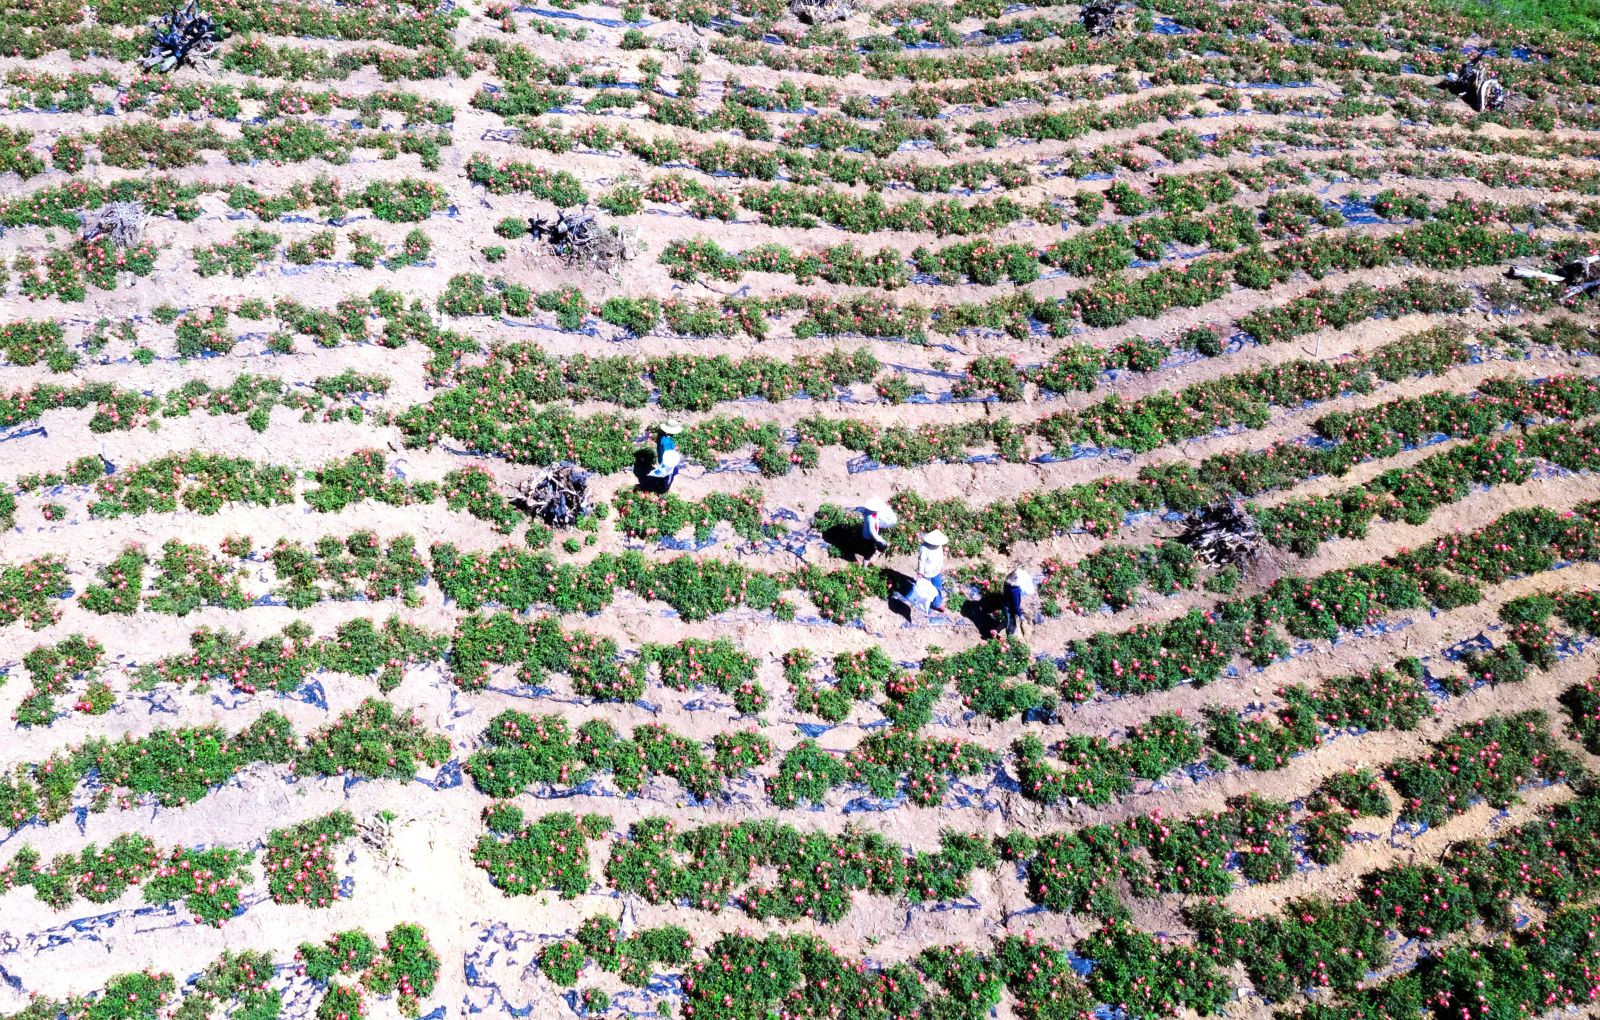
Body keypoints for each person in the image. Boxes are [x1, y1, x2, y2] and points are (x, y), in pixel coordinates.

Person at [917, 530, 948, 614]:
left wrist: (942, 565)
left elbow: (940, 556)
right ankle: (924, 604)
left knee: (938, 587)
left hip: (936, 570)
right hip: (926, 572)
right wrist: (920, 572)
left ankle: (936, 604)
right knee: (927, 590)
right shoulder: (924, 548)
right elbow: (921, 561)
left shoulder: (939, 546)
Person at [859, 496, 896, 564]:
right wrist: (882, 540)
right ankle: (864, 568)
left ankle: (872, 558)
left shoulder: (871, 513)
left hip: (868, 534)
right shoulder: (871, 518)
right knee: (869, 552)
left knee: (879, 547)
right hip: (869, 537)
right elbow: (872, 531)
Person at [1003, 566, 1036, 637]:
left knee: (1010, 617)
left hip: (1006, 602)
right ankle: (1010, 635)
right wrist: (1020, 615)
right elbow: (1015, 605)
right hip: (1010, 607)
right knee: (1011, 621)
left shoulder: (1007, 583)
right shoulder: (1015, 590)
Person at [652, 419, 683, 492]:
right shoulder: (666, 441)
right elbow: (667, 454)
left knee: (663, 474)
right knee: (669, 478)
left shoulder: (662, 437)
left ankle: (659, 484)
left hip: (661, 460)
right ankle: (662, 491)